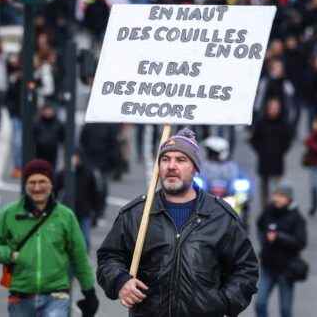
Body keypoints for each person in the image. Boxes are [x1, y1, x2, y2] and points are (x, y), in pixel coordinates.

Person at [97, 128, 259, 316]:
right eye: (165, 159)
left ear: (195, 168)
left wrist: (222, 303)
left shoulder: (220, 217)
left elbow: (246, 270)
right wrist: (120, 281)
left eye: (181, 160)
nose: (171, 166)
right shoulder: (137, 214)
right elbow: (109, 258)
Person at [0, 159, 99, 317]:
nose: (37, 187)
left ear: (51, 184)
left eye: (42, 181)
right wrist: (9, 255)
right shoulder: (9, 214)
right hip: (21, 297)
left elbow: (79, 255)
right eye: (32, 182)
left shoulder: (65, 216)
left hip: (57, 295)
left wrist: (89, 291)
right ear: (25, 185)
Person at [255, 180, 307, 317]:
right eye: (276, 195)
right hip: (268, 265)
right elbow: (260, 225)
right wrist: (264, 242)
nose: (277, 198)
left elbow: (301, 242)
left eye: (281, 196)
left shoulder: (297, 218)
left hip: (286, 268)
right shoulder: (268, 211)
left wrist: (279, 237)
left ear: (289, 199)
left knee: (285, 310)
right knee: (260, 303)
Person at [53, 152, 105, 251]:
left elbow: (96, 194)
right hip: (69, 211)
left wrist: (96, 211)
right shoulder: (64, 172)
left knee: (85, 239)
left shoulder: (88, 173)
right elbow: (55, 188)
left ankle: (84, 258)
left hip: (84, 211)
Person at [250, 98, 293, 208]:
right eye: (272, 108)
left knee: (278, 186)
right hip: (264, 159)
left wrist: (281, 150)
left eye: (276, 108)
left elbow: (288, 140)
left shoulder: (283, 123)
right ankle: (265, 207)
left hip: (277, 159)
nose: (274, 110)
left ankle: (277, 205)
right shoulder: (261, 122)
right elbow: (254, 139)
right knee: (264, 186)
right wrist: (260, 151)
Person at [33, 104, 64, 170]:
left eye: (49, 110)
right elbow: (33, 136)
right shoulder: (37, 122)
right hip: (40, 151)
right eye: (46, 110)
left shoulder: (58, 123)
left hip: (53, 151)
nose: (48, 112)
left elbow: (62, 137)